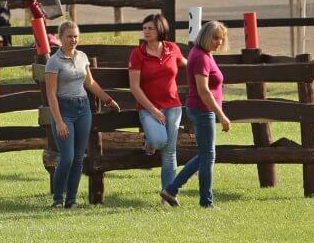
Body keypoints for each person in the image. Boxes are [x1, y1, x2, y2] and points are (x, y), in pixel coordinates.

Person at [44, 21, 120, 208]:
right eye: (69, 36)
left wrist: (109, 100)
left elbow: (90, 83)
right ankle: (57, 200)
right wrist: (59, 121)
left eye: (76, 36)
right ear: (61, 38)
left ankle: (71, 200)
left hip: (83, 108)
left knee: (79, 158)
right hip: (64, 110)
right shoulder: (54, 61)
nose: (73, 40)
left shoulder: (82, 56)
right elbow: (51, 94)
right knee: (67, 157)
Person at [160, 21, 231, 209]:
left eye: (221, 39)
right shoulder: (200, 56)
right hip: (202, 110)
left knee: (206, 155)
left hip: (203, 110)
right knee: (208, 156)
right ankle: (204, 202)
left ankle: (172, 189)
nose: (218, 42)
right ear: (205, 36)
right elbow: (203, 90)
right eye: (215, 38)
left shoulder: (205, 54)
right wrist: (221, 115)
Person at [128, 13, 186, 192]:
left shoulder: (173, 49)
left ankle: (168, 194)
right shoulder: (138, 54)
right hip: (148, 108)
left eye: (150, 28)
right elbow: (134, 88)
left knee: (169, 152)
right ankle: (149, 140)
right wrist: (153, 111)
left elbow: (187, 64)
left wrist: (206, 67)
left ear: (160, 29)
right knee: (159, 141)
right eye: (144, 28)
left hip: (173, 106)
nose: (146, 31)